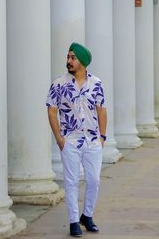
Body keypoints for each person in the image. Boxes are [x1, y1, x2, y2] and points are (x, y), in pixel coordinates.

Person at [46, 42, 106, 237]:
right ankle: (73, 221)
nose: (69, 61)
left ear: (83, 62)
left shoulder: (96, 83)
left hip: (92, 141)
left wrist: (102, 137)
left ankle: (87, 216)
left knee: (94, 180)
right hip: (70, 141)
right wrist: (59, 139)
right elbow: (52, 111)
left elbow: (101, 110)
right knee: (71, 182)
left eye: (73, 58)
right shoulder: (58, 84)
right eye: (68, 57)